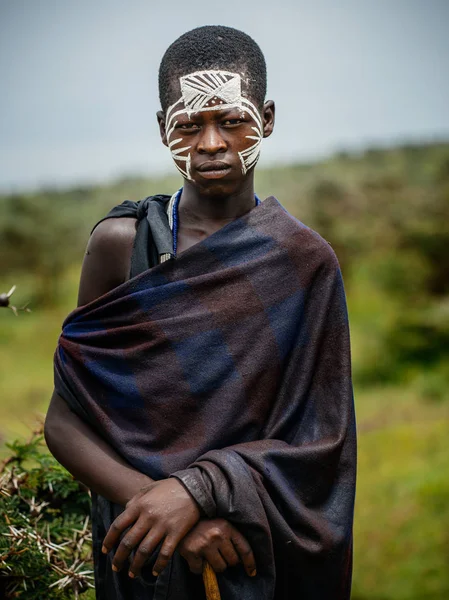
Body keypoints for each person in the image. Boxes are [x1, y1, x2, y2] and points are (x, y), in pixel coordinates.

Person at [45, 25, 356, 600]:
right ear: (164, 129)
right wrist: (159, 504)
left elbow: (321, 443)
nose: (211, 143)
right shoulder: (122, 244)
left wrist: (194, 492)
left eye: (232, 120)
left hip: (250, 548)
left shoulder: (303, 262)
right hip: (143, 551)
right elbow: (66, 421)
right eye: (189, 125)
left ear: (266, 118)